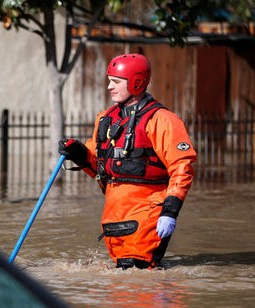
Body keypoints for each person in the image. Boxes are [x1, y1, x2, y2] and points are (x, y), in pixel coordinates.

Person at [58, 53, 196, 269]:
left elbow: (181, 168)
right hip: (113, 216)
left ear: (137, 82)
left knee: (138, 278)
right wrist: (79, 154)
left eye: (116, 82)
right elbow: (99, 168)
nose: (109, 87)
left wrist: (170, 212)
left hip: (147, 214)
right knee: (120, 287)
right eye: (109, 81)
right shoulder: (105, 118)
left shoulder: (162, 120)